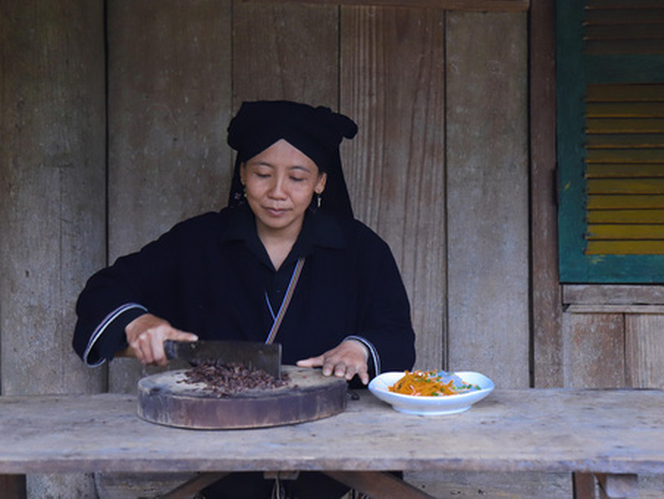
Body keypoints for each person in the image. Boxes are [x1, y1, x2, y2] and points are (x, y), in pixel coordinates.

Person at [72, 100, 416, 498]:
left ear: (321, 181)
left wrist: (359, 348)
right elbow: (104, 289)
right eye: (262, 174)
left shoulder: (361, 249)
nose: (277, 192)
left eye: (298, 178)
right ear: (242, 174)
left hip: (338, 462)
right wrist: (138, 323)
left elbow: (395, 334)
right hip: (223, 458)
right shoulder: (197, 242)